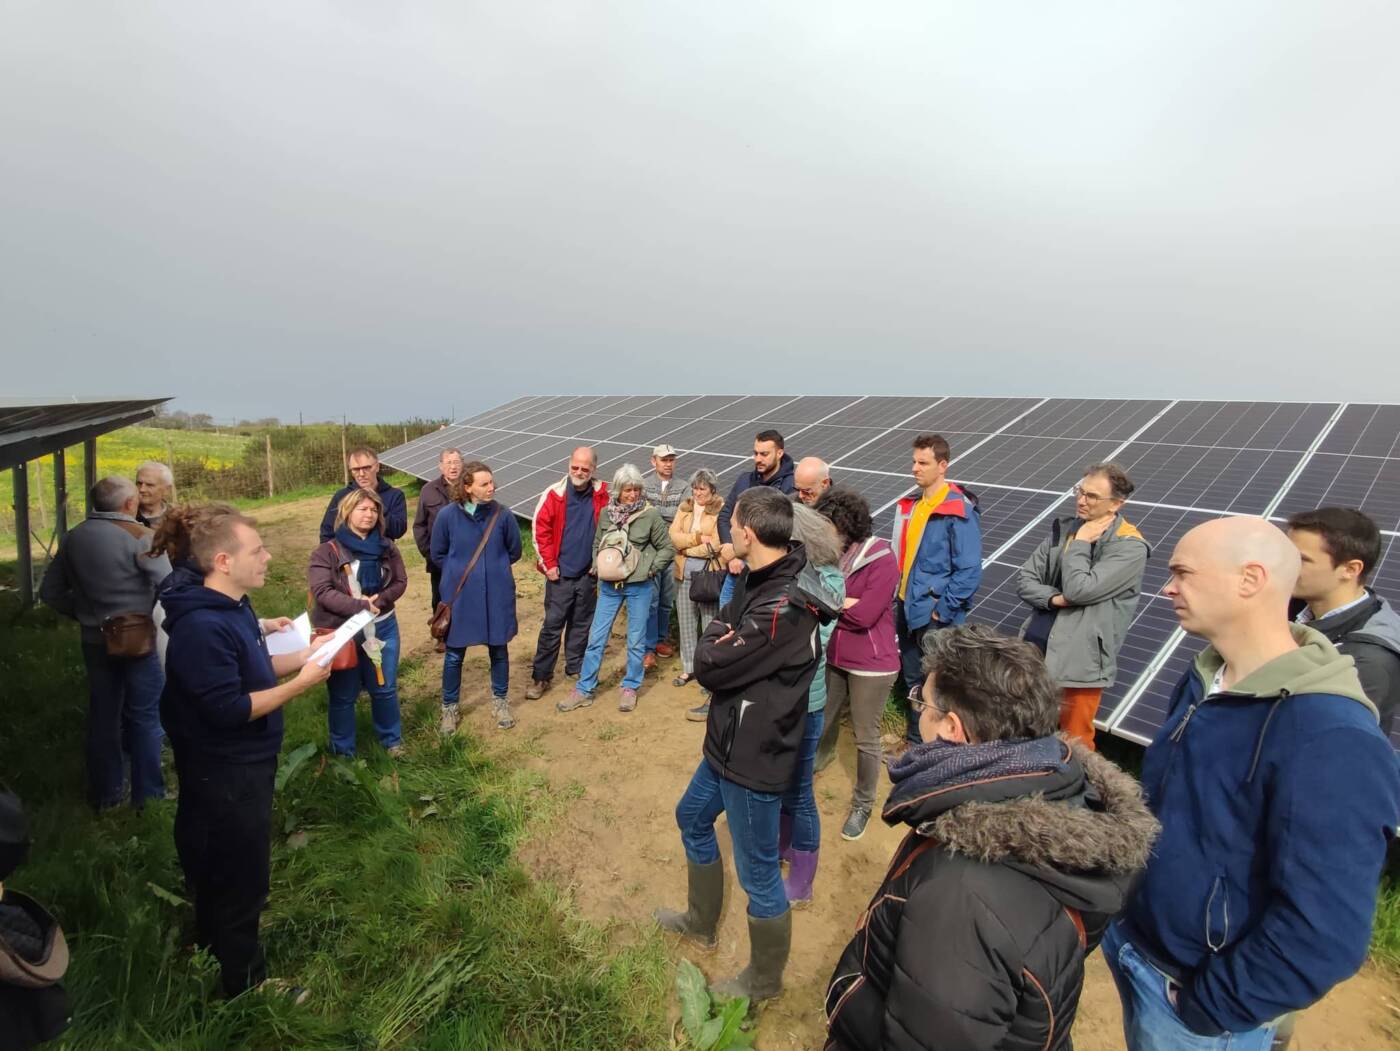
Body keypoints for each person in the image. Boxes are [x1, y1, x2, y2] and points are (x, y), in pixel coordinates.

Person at [1107, 516, 1400, 1050]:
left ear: (1250, 580)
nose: (1168, 587)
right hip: (1139, 945)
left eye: (1183, 573)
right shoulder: (1205, 679)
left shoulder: (1331, 733)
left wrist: (1208, 1007)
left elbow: (1325, 932)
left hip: (1195, 1002)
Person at [825, 625, 1159, 1050]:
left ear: (951, 727)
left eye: (921, 704)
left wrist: (846, 1000)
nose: (917, 714)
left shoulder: (960, 895)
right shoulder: (1071, 796)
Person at [157, 504, 332, 999]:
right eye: (256, 550)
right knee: (240, 874)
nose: (268, 557)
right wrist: (301, 684)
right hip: (226, 770)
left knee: (220, 864)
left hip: (240, 765)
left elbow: (252, 669)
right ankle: (244, 984)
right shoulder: (201, 628)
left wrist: (313, 652)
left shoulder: (232, 608)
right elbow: (230, 707)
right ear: (223, 561)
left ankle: (213, 944)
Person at [653, 488, 820, 1003]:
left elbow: (708, 663)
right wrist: (724, 630)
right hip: (727, 743)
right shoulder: (759, 579)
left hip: (754, 754)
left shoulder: (784, 606)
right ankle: (701, 923)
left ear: (747, 532)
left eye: (731, 525)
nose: (725, 533)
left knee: (759, 874)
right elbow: (724, 626)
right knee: (692, 817)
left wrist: (718, 639)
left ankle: (763, 982)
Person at [39, 476, 172, 810]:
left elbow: (50, 592)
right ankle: (149, 796)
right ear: (129, 505)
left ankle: (107, 794)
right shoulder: (141, 536)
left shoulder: (73, 538)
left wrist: (85, 613)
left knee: (104, 715)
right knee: (145, 716)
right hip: (138, 639)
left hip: (94, 639)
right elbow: (169, 587)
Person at [1015, 462, 1149, 749]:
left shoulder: (1129, 547)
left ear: (1116, 504)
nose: (1081, 500)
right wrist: (1052, 599)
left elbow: (1080, 589)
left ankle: (1076, 793)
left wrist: (1081, 543)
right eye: (1080, 491)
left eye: (1091, 496)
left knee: (1074, 744)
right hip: (1035, 648)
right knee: (1024, 730)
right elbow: (1026, 578)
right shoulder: (1064, 530)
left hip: (1080, 663)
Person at [813, 488, 901, 842]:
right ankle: (815, 764)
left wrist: (834, 602)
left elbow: (865, 615)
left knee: (866, 736)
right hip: (836, 653)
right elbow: (819, 595)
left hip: (871, 663)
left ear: (845, 527)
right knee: (822, 715)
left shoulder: (881, 559)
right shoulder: (835, 554)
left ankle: (864, 802)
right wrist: (842, 601)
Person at [557, 465, 674, 714]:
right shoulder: (606, 514)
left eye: (636, 489)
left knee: (635, 640)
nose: (632, 495)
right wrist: (599, 565)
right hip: (609, 587)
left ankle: (630, 687)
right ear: (618, 491)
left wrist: (650, 569)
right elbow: (598, 543)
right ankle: (584, 689)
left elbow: (666, 548)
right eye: (627, 490)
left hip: (639, 586)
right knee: (596, 639)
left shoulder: (650, 515)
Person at [892, 433, 982, 745]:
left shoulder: (957, 511)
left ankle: (936, 747)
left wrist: (940, 609)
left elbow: (969, 569)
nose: (915, 468)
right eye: (914, 461)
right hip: (906, 605)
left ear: (942, 465)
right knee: (914, 677)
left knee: (938, 684)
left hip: (933, 616)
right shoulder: (915, 507)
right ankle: (917, 740)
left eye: (923, 463)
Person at [777, 504, 844, 907]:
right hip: (782, 702)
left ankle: (802, 880)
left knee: (800, 791)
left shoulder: (827, 580)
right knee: (782, 781)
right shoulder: (786, 573)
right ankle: (784, 848)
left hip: (806, 703)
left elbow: (810, 632)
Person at [309, 488, 408, 758]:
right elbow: (322, 591)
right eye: (362, 509)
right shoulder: (327, 552)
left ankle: (392, 741)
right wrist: (361, 606)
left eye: (374, 510)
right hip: (343, 630)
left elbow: (400, 582)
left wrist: (381, 599)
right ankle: (343, 751)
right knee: (344, 694)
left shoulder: (387, 547)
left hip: (383, 625)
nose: (369, 514)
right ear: (347, 512)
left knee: (384, 687)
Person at [1287, 506, 1400, 730]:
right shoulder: (1291, 606)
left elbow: (1323, 741)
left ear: (1350, 569)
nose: (1285, 565)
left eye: (1302, 559)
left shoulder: (1368, 662)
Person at [431, 461, 523, 734]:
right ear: (468, 487)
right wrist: (457, 572)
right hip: (461, 597)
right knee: (454, 655)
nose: (491, 487)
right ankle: (449, 707)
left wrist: (494, 570)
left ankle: (500, 701)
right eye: (484, 484)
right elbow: (438, 553)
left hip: (496, 594)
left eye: (492, 482)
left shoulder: (503, 515)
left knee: (499, 649)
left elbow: (514, 550)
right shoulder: (448, 516)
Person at [526, 447, 609, 699]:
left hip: (589, 574)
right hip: (560, 575)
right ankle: (541, 676)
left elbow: (611, 529)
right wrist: (549, 565)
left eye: (585, 468)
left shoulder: (603, 496)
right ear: (569, 465)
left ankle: (574, 667)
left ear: (593, 469)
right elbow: (540, 530)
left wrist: (601, 564)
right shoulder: (554, 495)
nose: (579, 472)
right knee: (552, 626)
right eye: (575, 467)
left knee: (582, 625)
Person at [716, 429, 796, 609]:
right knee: (726, 617)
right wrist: (731, 550)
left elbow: (784, 530)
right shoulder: (745, 480)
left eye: (764, 454)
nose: (758, 459)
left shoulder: (791, 486)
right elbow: (724, 516)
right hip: (737, 570)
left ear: (779, 453)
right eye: (755, 453)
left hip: (769, 571)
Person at [668, 469, 724, 721]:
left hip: (707, 577)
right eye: (696, 488)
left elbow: (717, 545)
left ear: (713, 490)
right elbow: (673, 537)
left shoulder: (721, 509)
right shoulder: (685, 507)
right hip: (683, 575)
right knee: (687, 622)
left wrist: (689, 547)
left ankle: (709, 671)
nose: (698, 493)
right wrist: (698, 539)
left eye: (703, 489)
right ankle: (689, 668)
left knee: (710, 624)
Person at [412, 447, 464, 651]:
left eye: (457, 462)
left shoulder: (469, 489)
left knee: (463, 595)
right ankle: (441, 634)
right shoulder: (429, 490)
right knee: (439, 596)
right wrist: (429, 552)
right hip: (439, 558)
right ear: (440, 466)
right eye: (449, 462)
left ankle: (461, 632)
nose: (453, 466)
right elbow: (420, 525)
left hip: (465, 556)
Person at [645, 444, 689, 668]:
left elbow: (683, 515)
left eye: (671, 459)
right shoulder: (643, 486)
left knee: (665, 601)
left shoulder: (684, 487)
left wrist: (657, 515)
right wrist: (667, 518)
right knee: (650, 601)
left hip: (672, 552)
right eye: (664, 460)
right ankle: (648, 646)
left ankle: (660, 639)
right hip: (650, 551)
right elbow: (644, 514)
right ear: (654, 461)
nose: (668, 463)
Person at [318, 446, 407, 543]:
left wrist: (377, 505)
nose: (361, 474)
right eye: (355, 469)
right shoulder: (342, 496)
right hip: (348, 556)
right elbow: (327, 533)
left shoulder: (394, 495)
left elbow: (398, 531)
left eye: (366, 468)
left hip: (382, 555)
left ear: (377, 467)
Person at [134, 461, 173, 529]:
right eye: (139, 483)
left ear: (167, 490)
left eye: (149, 485)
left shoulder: (176, 518)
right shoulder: (126, 515)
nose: (142, 489)